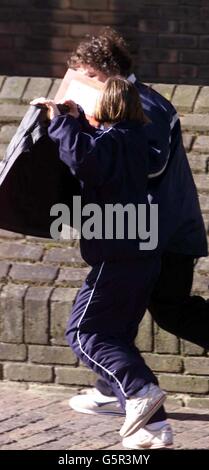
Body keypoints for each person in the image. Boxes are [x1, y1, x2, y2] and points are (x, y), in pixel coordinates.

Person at [61, 27, 209, 447]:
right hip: (149, 231)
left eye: (82, 73)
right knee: (124, 312)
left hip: (161, 233)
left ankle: (129, 392)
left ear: (99, 72)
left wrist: (86, 138)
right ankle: (115, 390)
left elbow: (145, 166)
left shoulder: (145, 105)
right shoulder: (123, 100)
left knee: (167, 310)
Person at [31, 76, 173, 449]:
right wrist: (75, 120)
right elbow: (96, 152)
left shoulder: (110, 143)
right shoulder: (137, 140)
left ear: (106, 105)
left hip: (117, 253)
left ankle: (141, 391)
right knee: (116, 338)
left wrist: (60, 120)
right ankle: (154, 428)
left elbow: (82, 158)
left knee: (85, 333)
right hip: (143, 254)